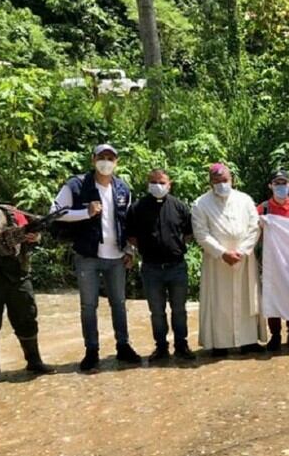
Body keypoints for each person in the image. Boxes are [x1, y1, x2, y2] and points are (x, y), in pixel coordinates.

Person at [51, 144, 141, 372]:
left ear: (116, 162)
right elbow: (55, 212)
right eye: (102, 157)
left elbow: (127, 222)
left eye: (110, 157)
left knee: (119, 304)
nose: (106, 161)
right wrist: (85, 212)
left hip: (116, 256)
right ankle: (91, 351)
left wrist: (130, 251)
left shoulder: (122, 188)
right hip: (88, 255)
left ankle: (123, 346)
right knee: (88, 305)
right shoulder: (77, 185)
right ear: (93, 160)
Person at [0, 172, 55, 382]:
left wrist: (33, 236)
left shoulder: (10, 213)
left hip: (17, 275)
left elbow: (29, 234)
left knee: (26, 318)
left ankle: (34, 362)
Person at [191, 164, 266, 357]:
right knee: (219, 301)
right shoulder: (201, 204)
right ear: (210, 182)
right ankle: (220, 343)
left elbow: (254, 226)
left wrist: (241, 251)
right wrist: (222, 253)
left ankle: (248, 341)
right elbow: (201, 234)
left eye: (225, 180)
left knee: (246, 298)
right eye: (217, 181)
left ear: (231, 180)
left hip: (244, 258)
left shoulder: (244, 199)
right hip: (217, 261)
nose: (221, 184)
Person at [126, 169, 195, 362]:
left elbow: (189, 233)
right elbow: (131, 235)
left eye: (162, 182)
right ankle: (161, 347)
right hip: (151, 268)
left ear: (169, 184)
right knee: (156, 311)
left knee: (179, 309)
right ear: (148, 184)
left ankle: (182, 345)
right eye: (154, 181)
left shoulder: (179, 206)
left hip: (177, 267)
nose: (158, 185)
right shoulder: (137, 207)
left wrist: (174, 246)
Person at [256, 169, 289, 351]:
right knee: (273, 298)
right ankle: (275, 336)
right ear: (270, 185)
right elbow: (253, 233)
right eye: (277, 183)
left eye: (283, 183)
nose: (280, 186)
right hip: (271, 263)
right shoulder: (263, 209)